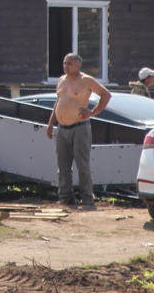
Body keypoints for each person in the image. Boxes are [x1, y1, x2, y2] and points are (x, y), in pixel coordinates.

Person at [46, 53, 110, 209]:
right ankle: (65, 197)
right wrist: (50, 124)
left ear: (78, 65)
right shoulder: (61, 80)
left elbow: (106, 95)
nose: (66, 66)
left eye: (70, 63)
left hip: (79, 127)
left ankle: (87, 198)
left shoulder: (86, 80)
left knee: (82, 164)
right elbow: (58, 103)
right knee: (62, 164)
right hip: (62, 128)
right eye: (64, 63)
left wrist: (92, 112)